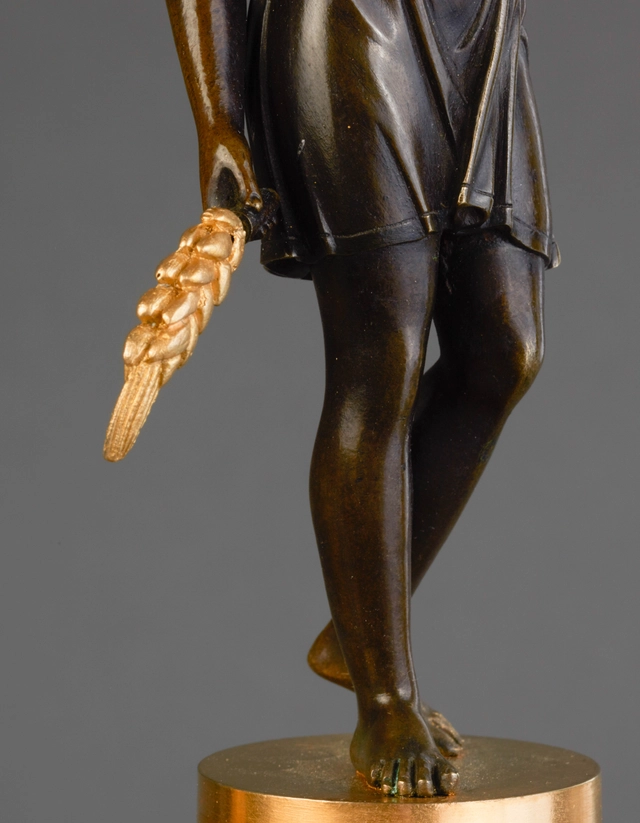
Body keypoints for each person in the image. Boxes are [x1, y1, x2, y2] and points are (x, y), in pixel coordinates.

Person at [165, 0, 558, 797]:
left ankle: (355, 636)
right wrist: (218, 118)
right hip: (351, 27)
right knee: (380, 361)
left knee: (504, 351)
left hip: (483, 33)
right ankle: (385, 698)